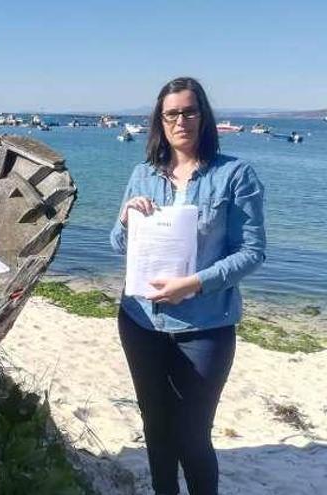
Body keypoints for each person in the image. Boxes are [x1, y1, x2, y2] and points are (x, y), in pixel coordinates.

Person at [109, 77, 266, 495]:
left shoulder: (235, 175)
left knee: (193, 437)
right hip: (140, 321)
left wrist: (194, 284)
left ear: (203, 116)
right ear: (160, 122)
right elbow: (117, 244)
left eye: (189, 111)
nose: (181, 120)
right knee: (156, 430)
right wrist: (127, 218)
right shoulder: (142, 173)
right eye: (172, 113)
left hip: (205, 326)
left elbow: (252, 252)